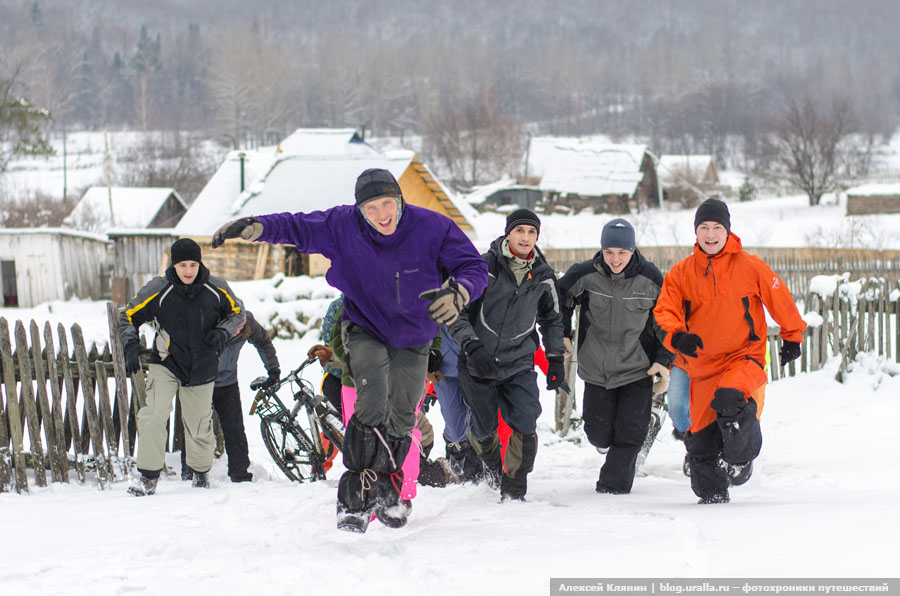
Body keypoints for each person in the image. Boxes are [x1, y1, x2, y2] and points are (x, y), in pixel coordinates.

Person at [212, 167, 488, 532]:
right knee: (371, 400)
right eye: (371, 209)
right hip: (365, 327)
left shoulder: (432, 226)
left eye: (387, 204)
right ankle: (353, 500)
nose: (381, 215)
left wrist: (459, 292)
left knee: (404, 415)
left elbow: (473, 266)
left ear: (399, 199)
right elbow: (297, 226)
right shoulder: (343, 224)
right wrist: (256, 227)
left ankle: (389, 493)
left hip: (415, 334)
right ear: (359, 210)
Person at [654, 198, 806, 504]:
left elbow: (780, 299)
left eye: (717, 227)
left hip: (743, 357)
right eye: (704, 227)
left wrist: (792, 336)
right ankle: (712, 497)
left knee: (729, 398)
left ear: (728, 231)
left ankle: (741, 458)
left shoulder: (750, 267)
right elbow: (664, 311)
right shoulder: (682, 273)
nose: (710, 234)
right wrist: (678, 337)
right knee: (700, 442)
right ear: (696, 233)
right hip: (701, 364)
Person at [449, 208, 566, 501]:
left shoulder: (543, 275)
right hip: (478, 362)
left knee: (526, 421)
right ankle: (491, 466)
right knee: (484, 428)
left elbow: (552, 319)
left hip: (519, 362)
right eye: (520, 231)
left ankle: (515, 487)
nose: (525, 238)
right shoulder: (483, 267)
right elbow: (455, 313)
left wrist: (555, 359)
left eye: (531, 232)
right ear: (508, 233)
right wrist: (472, 346)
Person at [120, 238, 245, 496]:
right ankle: (148, 477)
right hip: (167, 362)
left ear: (200, 263)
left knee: (199, 425)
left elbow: (238, 314)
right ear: (173, 266)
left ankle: (200, 475)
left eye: (192, 264)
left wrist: (222, 333)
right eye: (182, 265)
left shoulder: (217, 289)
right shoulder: (158, 289)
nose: (188, 271)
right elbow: (129, 315)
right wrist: (130, 343)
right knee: (153, 414)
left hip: (203, 365)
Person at [558, 218, 673, 495]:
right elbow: (557, 298)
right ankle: (645, 422)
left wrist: (663, 359)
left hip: (638, 368)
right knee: (598, 433)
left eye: (622, 252)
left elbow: (669, 321)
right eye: (609, 252)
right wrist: (562, 332)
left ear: (633, 250)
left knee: (630, 432)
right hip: (597, 368)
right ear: (601, 250)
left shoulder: (651, 279)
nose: (615, 259)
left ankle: (613, 489)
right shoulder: (585, 274)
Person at [201, 310, 280, 483]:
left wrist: (273, 369)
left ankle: (240, 474)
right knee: (198, 428)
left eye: (240, 328)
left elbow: (263, 342)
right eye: (233, 328)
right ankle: (191, 471)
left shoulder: (248, 320)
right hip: (201, 382)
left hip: (227, 382)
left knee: (235, 429)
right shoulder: (209, 318)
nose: (237, 331)